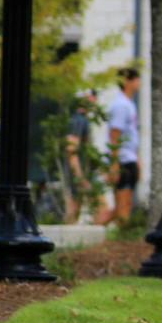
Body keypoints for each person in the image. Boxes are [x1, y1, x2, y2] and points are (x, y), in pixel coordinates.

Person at [93, 70, 142, 227]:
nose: (139, 82)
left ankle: (104, 228)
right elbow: (115, 135)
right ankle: (97, 228)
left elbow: (132, 136)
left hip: (130, 158)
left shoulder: (129, 104)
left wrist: (138, 160)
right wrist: (114, 164)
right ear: (127, 82)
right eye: (136, 79)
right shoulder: (121, 105)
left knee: (127, 205)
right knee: (122, 206)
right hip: (122, 160)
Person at [63, 91, 102, 224]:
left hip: (82, 172)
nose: (95, 100)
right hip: (78, 173)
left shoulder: (81, 119)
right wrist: (80, 177)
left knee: (75, 212)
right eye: (92, 96)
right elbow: (71, 149)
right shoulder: (79, 120)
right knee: (75, 210)